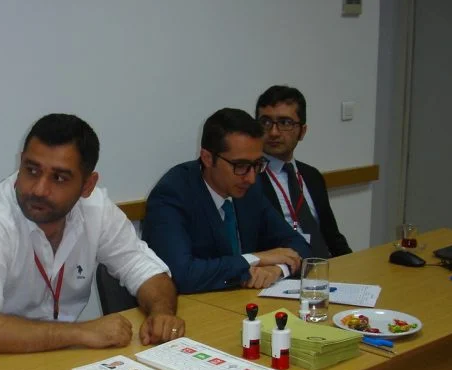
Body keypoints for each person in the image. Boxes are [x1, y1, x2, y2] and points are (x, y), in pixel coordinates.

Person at [0, 113, 185, 354]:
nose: (39, 189)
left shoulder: (96, 209)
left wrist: (161, 312)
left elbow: (143, 268)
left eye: (58, 178)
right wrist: (80, 332)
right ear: (21, 161)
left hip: (56, 359)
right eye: (32, 170)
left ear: (87, 185)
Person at [143, 108, 311, 294]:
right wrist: (255, 259)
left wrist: (278, 269)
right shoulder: (172, 194)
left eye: (257, 164)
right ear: (207, 158)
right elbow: (182, 275)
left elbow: (298, 244)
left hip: (244, 300)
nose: (251, 178)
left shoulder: (249, 189)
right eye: (240, 165)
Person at [256, 85, 352, 258]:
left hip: (325, 266)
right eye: (266, 122)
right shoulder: (248, 178)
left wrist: (351, 264)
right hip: (283, 268)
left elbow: (332, 236)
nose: (274, 132)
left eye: (285, 123)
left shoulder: (312, 175)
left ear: (302, 131)